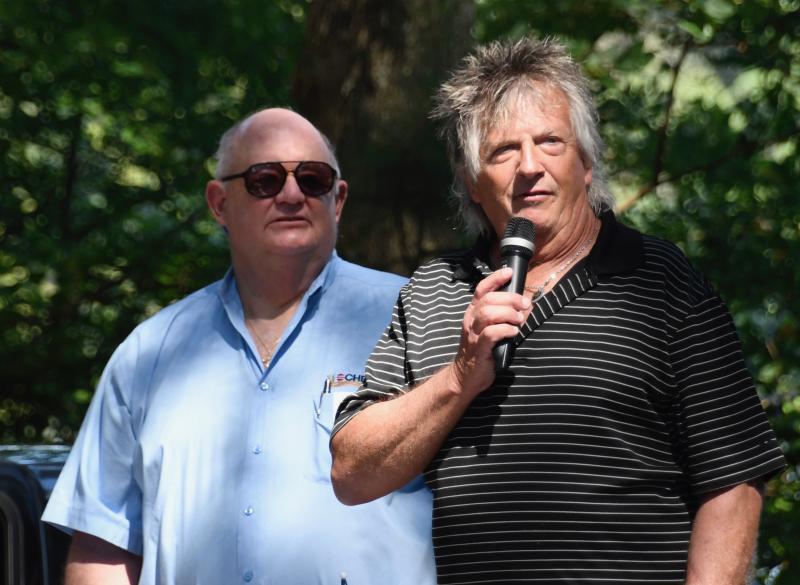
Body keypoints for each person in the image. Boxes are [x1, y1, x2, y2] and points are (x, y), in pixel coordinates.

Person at [330, 38, 786, 585]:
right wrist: (458, 377)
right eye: (502, 151)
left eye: (550, 142)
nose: (530, 167)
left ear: (586, 162)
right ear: (471, 182)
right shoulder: (434, 291)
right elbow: (351, 474)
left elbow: (733, 480)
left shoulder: (659, 279)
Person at [42, 107, 437, 585]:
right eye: (264, 180)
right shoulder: (149, 354)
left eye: (312, 179)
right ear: (218, 204)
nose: (292, 194)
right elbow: (104, 546)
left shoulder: (419, 319)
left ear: (338, 199)